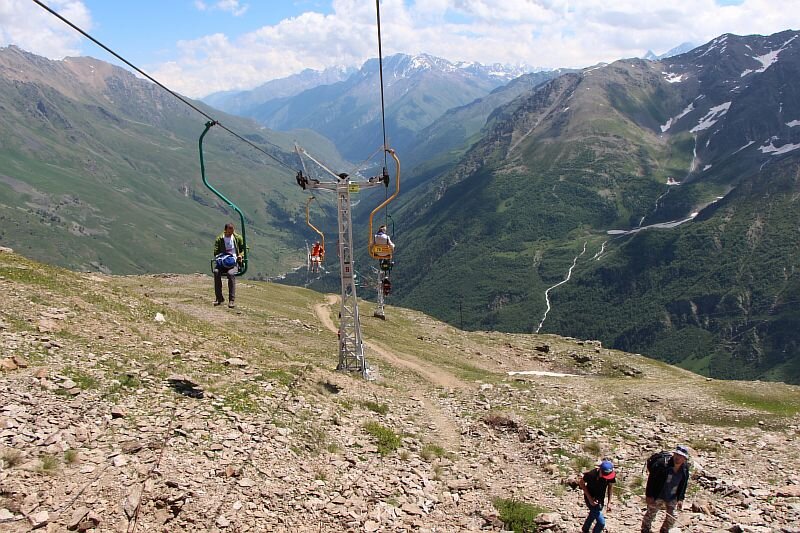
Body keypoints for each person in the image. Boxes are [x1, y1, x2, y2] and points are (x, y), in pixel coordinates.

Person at [641, 445, 691, 533]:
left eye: (681, 456)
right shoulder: (662, 464)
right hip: (658, 493)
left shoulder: (685, 468)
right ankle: (645, 529)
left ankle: (664, 530)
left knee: (672, 516)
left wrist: (681, 498)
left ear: (684, 458)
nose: (677, 458)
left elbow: (683, 483)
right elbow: (651, 480)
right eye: (676, 455)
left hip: (672, 495)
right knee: (651, 512)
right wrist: (649, 495)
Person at [578, 459, 616, 533]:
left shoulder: (610, 475)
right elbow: (581, 483)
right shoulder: (591, 475)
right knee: (601, 523)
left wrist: (609, 502)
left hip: (600, 498)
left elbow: (610, 486)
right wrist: (590, 499)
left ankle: (585, 529)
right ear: (600, 470)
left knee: (593, 514)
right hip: (590, 498)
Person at [212, 222, 244, 308]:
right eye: (229, 232)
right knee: (216, 272)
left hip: (234, 262)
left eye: (232, 231)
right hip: (223, 262)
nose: (231, 234)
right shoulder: (220, 239)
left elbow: (245, 248)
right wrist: (222, 255)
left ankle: (231, 300)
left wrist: (240, 255)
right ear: (225, 230)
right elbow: (215, 251)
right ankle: (219, 298)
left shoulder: (237, 238)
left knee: (230, 274)